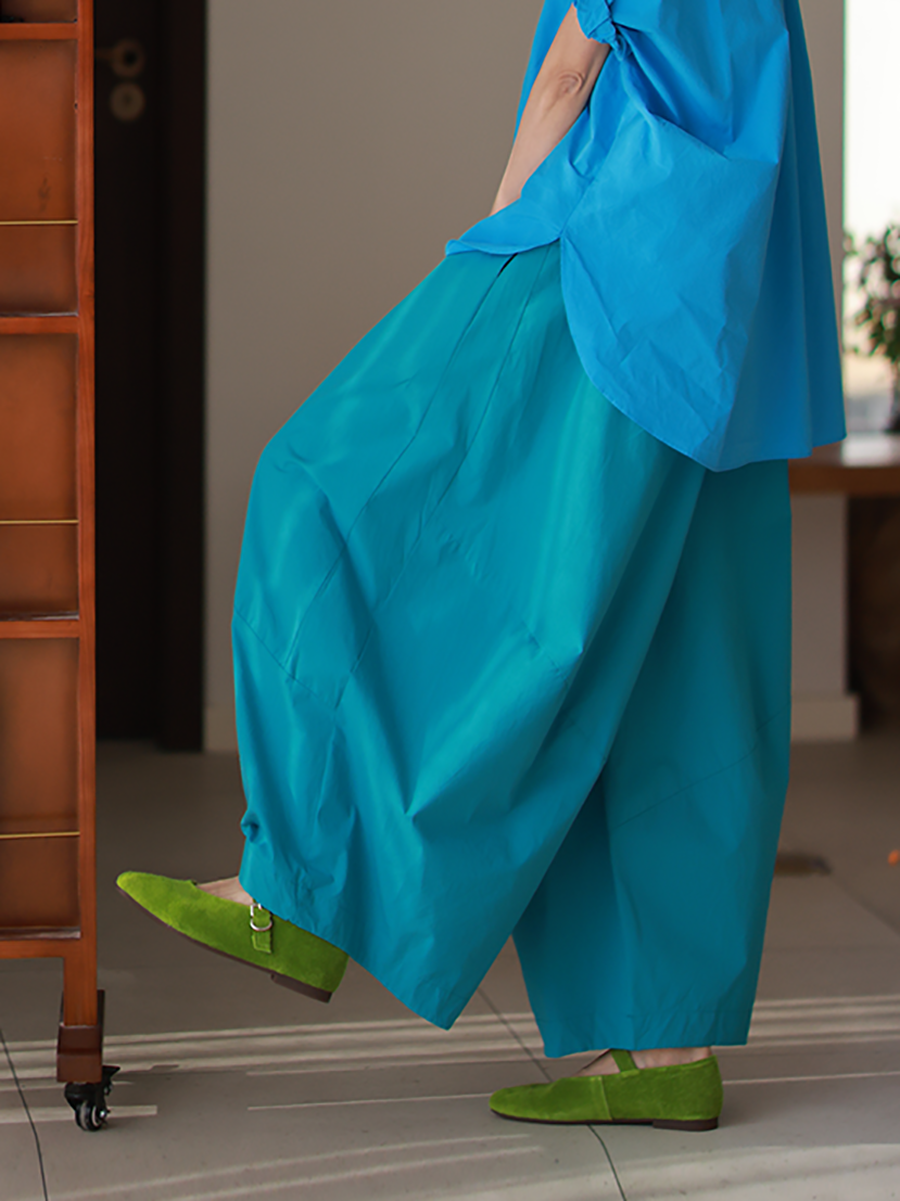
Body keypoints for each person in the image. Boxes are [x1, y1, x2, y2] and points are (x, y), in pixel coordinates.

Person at [119, 0, 845, 1130]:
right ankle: (668, 1047)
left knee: (317, 486)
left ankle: (298, 886)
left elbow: (570, 71)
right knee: (679, 658)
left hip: (611, 258)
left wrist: (494, 235)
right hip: (734, 300)